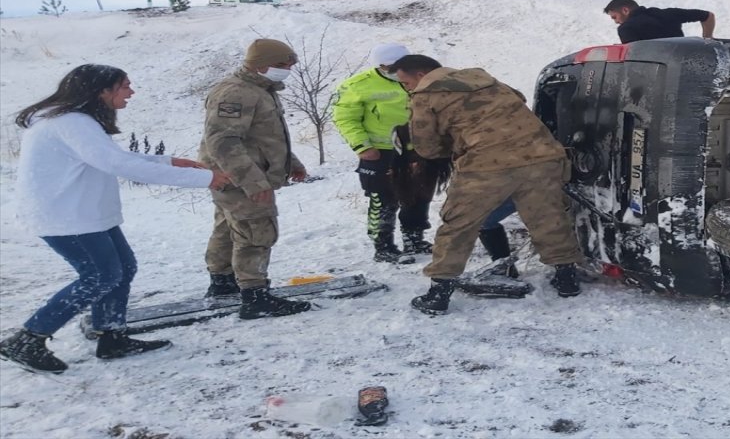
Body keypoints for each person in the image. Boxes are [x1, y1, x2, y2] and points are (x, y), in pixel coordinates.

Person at [0, 65, 231, 374]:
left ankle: (112, 336)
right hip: (66, 217)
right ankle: (28, 338)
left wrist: (167, 161)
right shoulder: (72, 123)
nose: (131, 92)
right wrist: (205, 179)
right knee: (100, 276)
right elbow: (118, 164)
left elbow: (108, 156)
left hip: (84, 214)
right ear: (101, 91)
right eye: (125, 86)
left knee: (121, 269)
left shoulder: (70, 120)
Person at [388, 54, 585, 315]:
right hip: (542, 155)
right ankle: (567, 279)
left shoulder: (426, 94)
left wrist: (455, 143)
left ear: (421, 74)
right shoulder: (486, 80)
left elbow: (428, 146)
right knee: (549, 217)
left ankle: (439, 292)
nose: (407, 88)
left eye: (406, 82)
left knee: (458, 223)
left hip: (487, 164)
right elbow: (520, 100)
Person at [198, 38, 312, 319]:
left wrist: (290, 163)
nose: (288, 69)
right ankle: (255, 297)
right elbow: (223, 142)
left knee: (228, 227)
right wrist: (253, 182)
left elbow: (264, 137)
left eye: (290, 64)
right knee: (256, 231)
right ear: (260, 65)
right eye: (282, 64)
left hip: (238, 174)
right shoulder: (237, 92)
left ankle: (223, 283)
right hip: (240, 176)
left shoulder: (260, 88)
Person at [334, 43, 433, 262]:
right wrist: (362, 146)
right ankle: (383, 245)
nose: (400, 71)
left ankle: (414, 239)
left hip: (416, 149)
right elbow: (344, 117)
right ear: (382, 66)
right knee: (383, 200)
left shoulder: (422, 77)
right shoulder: (358, 85)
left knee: (419, 195)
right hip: (380, 152)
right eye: (394, 67)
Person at [603, 0, 715, 44]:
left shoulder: (626, 28)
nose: (616, 22)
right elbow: (708, 16)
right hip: (685, 60)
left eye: (615, 17)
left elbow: (633, 57)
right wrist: (708, 40)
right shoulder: (669, 13)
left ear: (625, 10)